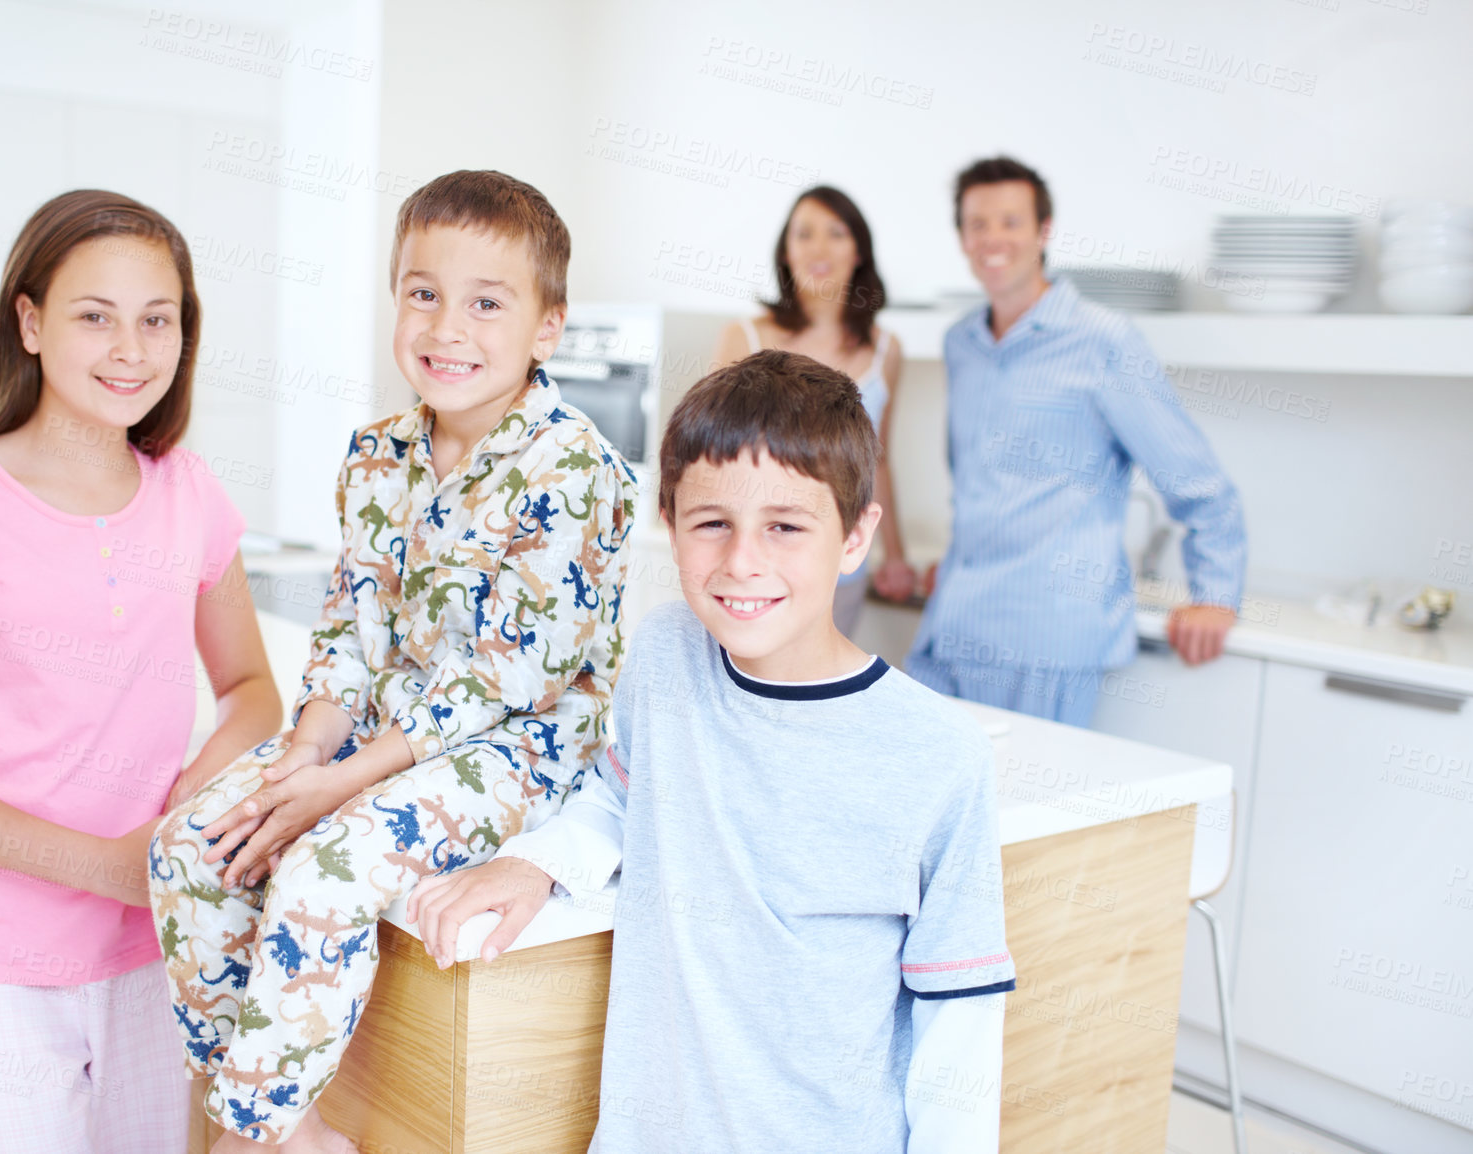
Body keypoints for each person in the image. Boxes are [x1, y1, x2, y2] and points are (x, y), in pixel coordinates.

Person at [407, 349, 1013, 1154]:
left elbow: (959, 1030)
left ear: (856, 535)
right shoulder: (663, 655)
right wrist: (536, 861)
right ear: (672, 523)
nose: (742, 563)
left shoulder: (940, 757)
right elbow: (623, 797)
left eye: (786, 527)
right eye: (712, 523)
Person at [148, 170, 638, 1152]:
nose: (447, 326)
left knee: (325, 872)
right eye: (423, 292)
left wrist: (338, 786)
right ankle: (286, 1118)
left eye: (486, 302)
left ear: (547, 328)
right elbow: (352, 621)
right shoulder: (377, 451)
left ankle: (247, 1135)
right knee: (190, 844)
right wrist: (305, 754)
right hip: (377, 734)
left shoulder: (574, 465)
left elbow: (499, 681)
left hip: (517, 749)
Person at [0, 190, 282, 1153]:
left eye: (156, 319)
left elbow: (253, 690)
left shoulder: (190, 495)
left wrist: (179, 824)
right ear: (31, 321)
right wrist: (104, 867)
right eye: (96, 315)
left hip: (144, 939)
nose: (131, 348)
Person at [904, 156, 1248, 726]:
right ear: (962, 236)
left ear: (1043, 231)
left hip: (1047, 639)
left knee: (1024, 813)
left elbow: (1196, 480)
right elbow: (974, 474)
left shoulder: (1104, 342)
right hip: (953, 625)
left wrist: (1216, 594)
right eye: (977, 223)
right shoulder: (960, 342)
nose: (992, 238)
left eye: (1010, 221)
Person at [712, 186, 914, 635]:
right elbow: (712, 457)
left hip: (843, 569)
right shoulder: (744, 338)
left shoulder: (886, 350)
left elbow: (877, 461)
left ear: (858, 250)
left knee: (821, 698)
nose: (819, 248)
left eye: (836, 233)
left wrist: (896, 557)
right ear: (786, 251)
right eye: (804, 234)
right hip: (756, 567)